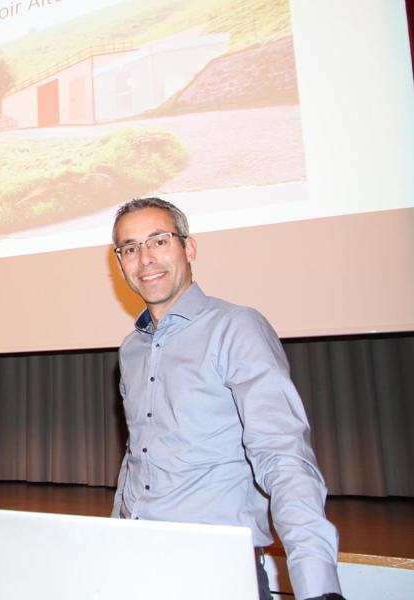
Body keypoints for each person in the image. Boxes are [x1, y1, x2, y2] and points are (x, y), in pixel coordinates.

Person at [109, 197, 343, 600]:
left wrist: (318, 587)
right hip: (136, 564)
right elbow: (137, 457)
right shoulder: (131, 349)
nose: (145, 259)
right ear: (120, 263)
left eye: (159, 241)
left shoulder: (236, 328)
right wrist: (111, 544)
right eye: (130, 248)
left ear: (189, 248)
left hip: (215, 573)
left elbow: (282, 454)